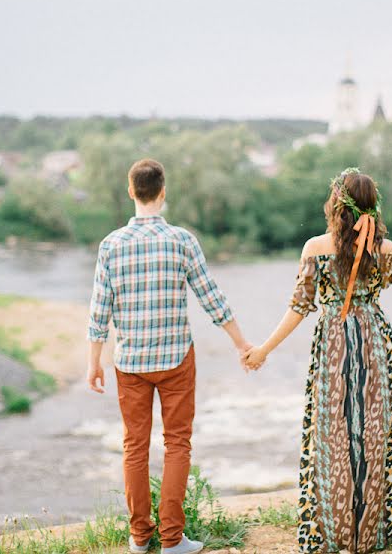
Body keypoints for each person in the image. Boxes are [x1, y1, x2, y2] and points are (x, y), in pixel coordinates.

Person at [86, 158, 252, 554]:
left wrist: (93, 362)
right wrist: (241, 344)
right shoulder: (182, 241)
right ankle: (173, 539)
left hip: (129, 364)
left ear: (131, 192)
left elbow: (99, 310)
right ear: (163, 193)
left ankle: (141, 538)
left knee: (134, 446)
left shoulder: (111, 245)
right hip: (176, 360)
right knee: (177, 443)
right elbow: (212, 299)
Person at [244, 168, 392, 553]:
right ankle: (370, 535)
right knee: (374, 435)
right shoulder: (386, 249)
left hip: (333, 342)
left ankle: (332, 534)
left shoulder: (315, 248)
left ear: (336, 204)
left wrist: (263, 349)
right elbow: (383, 286)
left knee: (330, 437)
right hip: (374, 342)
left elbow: (300, 307)